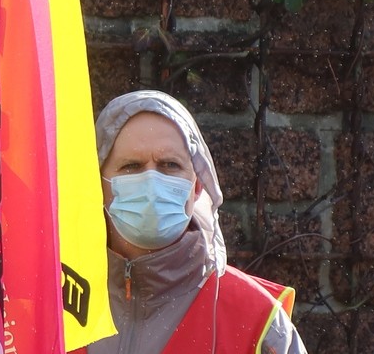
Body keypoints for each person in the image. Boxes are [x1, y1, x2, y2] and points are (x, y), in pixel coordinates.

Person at [82, 90, 306, 354]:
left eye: (169, 165)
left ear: (198, 185)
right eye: (131, 166)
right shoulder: (51, 304)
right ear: (97, 184)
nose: (151, 182)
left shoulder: (257, 320)